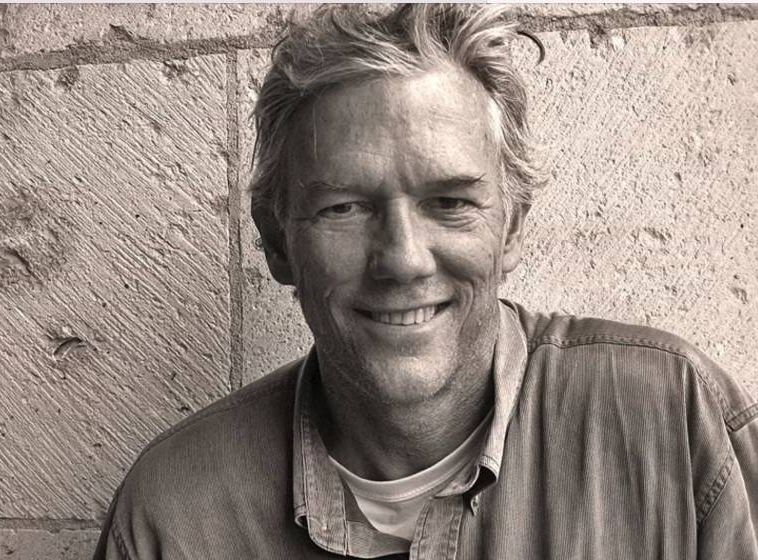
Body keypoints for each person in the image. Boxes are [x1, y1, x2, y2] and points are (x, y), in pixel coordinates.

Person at [94, 5, 757, 559]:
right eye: (343, 208)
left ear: (513, 228)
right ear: (277, 242)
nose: (404, 260)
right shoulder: (173, 518)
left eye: (450, 203)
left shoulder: (676, 423)